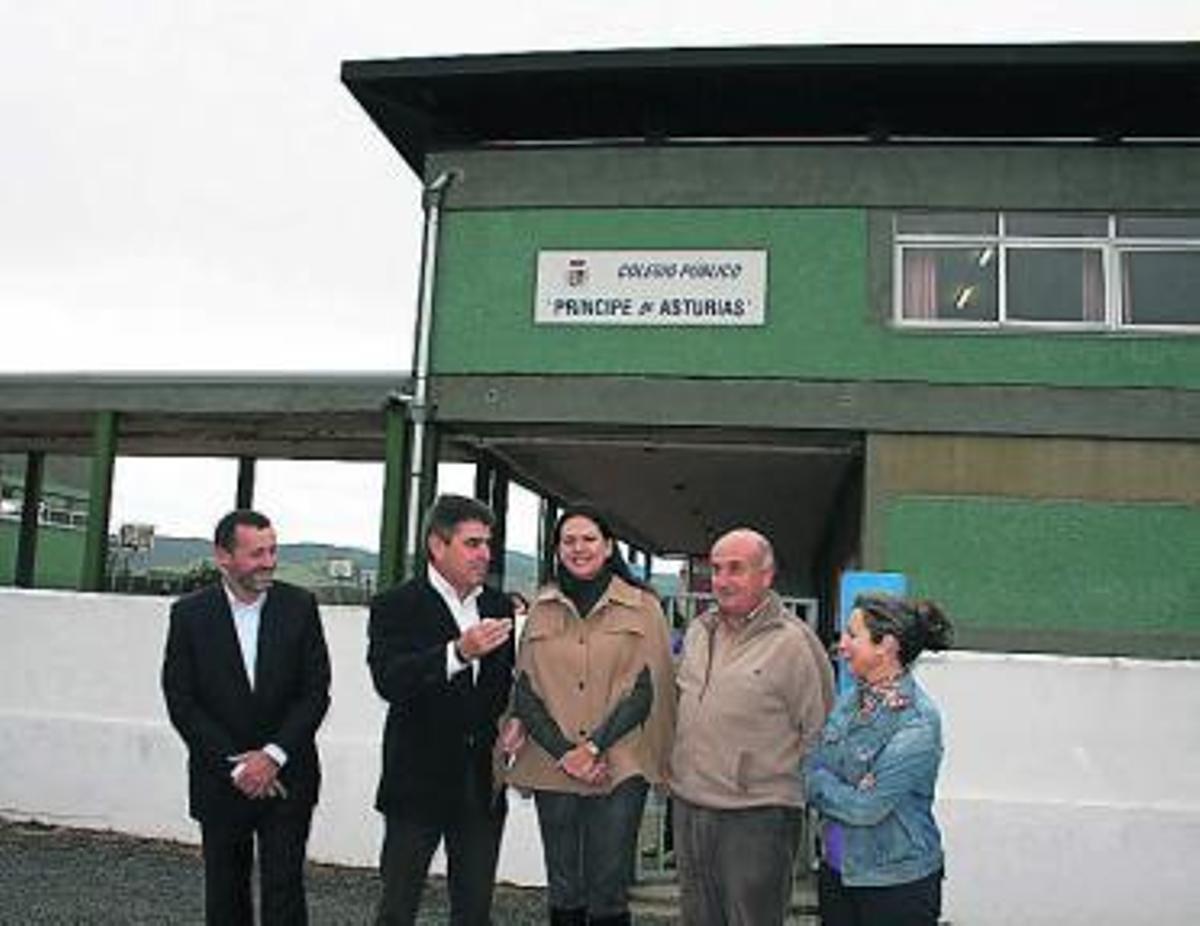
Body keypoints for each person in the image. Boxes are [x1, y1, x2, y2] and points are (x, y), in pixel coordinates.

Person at [502, 504, 675, 926]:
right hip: (552, 761)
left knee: (608, 887)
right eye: (569, 540)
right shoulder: (541, 607)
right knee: (564, 884)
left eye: (588, 539)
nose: (579, 548)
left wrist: (594, 747)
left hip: (619, 761)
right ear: (557, 549)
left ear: (608, 546)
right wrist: (566, 752)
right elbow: (524, 689)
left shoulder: (643, 608)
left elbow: (647, 689)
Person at [161, 509, 331, 926]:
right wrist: (236, 766)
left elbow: (315, 693)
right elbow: (181, 700)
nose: (269, 562)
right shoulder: (189, 614)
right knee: (224, 894)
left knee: (285, 893)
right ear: (223, 556)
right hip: (220, 780)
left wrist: (272, 756)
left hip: (288, 777)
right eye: (257, 553)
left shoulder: (300, 606)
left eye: (273, 551)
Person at [670, 528, 834, 926]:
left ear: (767, 575)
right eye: (717, 569)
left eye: (736, 569)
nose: (722, 581)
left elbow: (821, 730)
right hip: (691, 807)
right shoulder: (698, 632)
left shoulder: (794, 644)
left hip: (758, 816)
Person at [368, 494, 515, 925]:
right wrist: (457, 653)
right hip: (416, 782)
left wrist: (513, 722)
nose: (485, 554)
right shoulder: (397, 605)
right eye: (472, 544)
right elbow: (390, 680)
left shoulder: (497, 606)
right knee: (398, 907)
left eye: (488, 544)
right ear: (437, 545)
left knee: (474, 910)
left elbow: (501, 686)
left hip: (480, 785)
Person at [805, 594, 953, 926]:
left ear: (885, 645)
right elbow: (814, 764)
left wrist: (821, 785)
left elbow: (865, 809)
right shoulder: (850, 701)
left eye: (852, 635)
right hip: (838, 871)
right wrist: (839, 785)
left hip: (896, 883)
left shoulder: (917, 722)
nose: (841, 645)